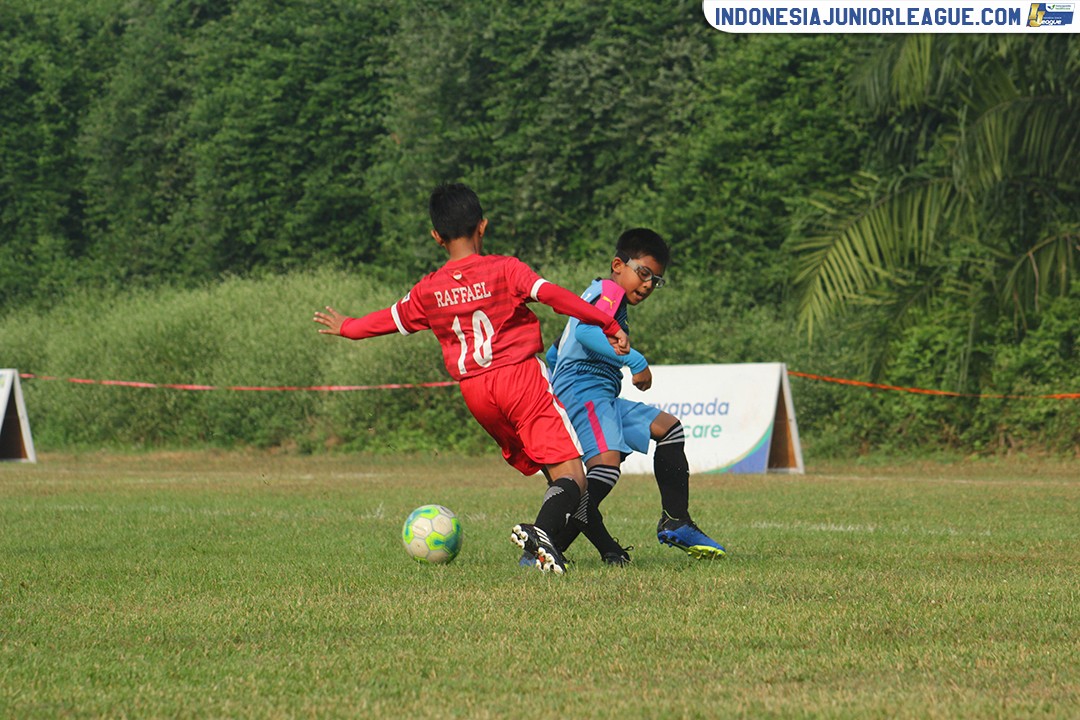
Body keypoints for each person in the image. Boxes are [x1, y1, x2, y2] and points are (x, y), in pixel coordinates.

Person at [314, 183, 629, 574]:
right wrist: (606, 319)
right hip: (519, 378)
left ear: (436, 236)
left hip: (478, 394)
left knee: (554, 476)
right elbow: (553, 296)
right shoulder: (505, 269)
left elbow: (387, 320)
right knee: (572, 475)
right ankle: (540, 537)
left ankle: (590, 549)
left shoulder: (428, 290)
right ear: (483, 226)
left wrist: (347, 326)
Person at [542, 228, 727, 565]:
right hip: (585, 390)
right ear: (618, 264)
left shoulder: (600, 297)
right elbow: (584, 331)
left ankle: (676, 519)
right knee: (605, 468)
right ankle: (547, 543)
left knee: (668, 428)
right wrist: (635, 361)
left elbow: (556, 351)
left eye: (656, 281)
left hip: (600, 394)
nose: (647, 285)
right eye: (643, 273)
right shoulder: (609, 290)